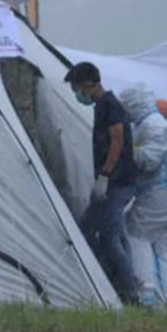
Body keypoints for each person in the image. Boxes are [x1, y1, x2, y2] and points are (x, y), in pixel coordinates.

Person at [64, 61, 137, 303]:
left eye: (76, 88)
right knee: (87, 229)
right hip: (109, 181)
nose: (77, 93)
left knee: (109, 235)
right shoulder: (101, 106)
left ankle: (129, 291)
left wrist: (105, 175)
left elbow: (117, 140)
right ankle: (105, 279)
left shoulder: (110, 105)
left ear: (87, 85)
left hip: (117, 182)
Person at [119, 83, 167, 308]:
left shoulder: (153, 125)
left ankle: (147, 294)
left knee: (135, 232)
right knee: (164, 245)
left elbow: (149, 160)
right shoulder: (151, 123)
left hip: (161, 190)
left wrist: (125, 149)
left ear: (133, 103)